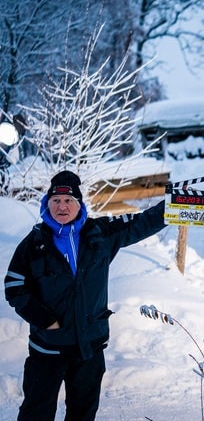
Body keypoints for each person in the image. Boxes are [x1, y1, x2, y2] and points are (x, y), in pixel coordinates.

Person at [4, 170, 167, 420]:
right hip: (48, 349)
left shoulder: (99, 234)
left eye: (69, 200)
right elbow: (14, 286)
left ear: (79, 205)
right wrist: (45, 320)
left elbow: (140, 223)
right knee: (36, 413)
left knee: (83, 414)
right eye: (56, 201)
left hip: (89, 349)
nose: (62, 206)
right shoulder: (34, 244)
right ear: (46, 204)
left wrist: (175, 205)